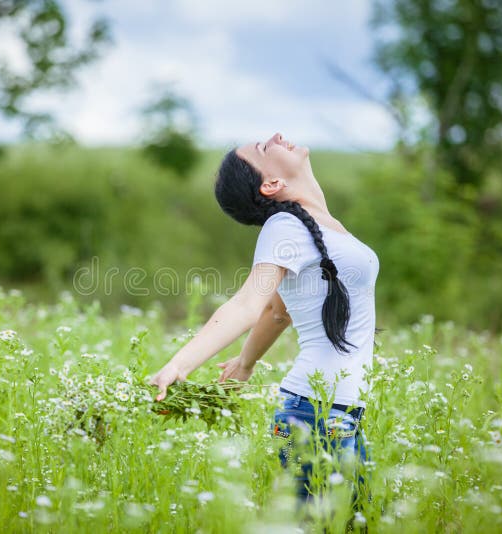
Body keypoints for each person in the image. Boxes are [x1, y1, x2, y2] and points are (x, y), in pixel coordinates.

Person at [149, 132, 379, 507]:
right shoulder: (285, 226)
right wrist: (180, 364)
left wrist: (245, 362)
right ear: (271, 183)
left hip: (337, 409)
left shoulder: (320, 225)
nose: (274, 137)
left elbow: (278, 311)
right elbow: (247, 305)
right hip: (318, 413)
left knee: (356, 522)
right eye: (262, 148)